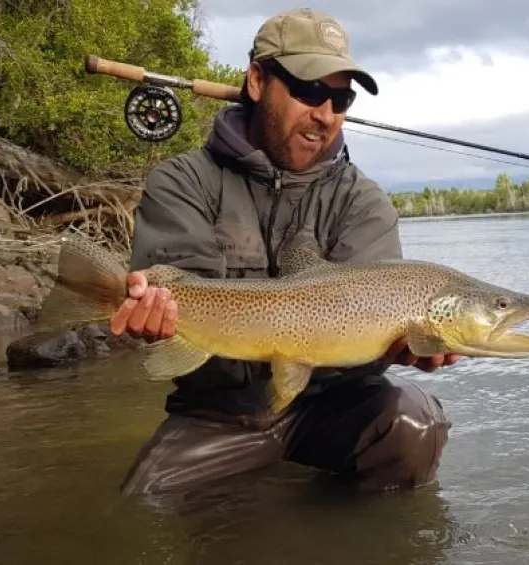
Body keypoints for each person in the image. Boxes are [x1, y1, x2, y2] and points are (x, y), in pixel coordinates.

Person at [109, 8, 461, 497]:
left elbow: (366, 331)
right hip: (219, 416)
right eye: (310, 90)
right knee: (143, 507)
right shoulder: (185, 182)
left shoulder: (362, 202)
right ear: (257, 80)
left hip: (334, 407)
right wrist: (157, 317)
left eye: (341, 98)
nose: (326, 114)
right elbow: (175, 296)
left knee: (414, 425)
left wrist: (404, 349)